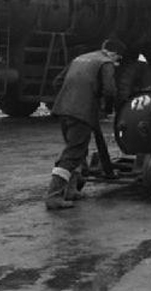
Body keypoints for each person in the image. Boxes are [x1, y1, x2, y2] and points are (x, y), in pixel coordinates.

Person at [45, 39, 124, 210]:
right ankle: (53, 196)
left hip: (63, 109)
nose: (116, 62)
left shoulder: (80, 58)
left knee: (78, 151)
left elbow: (57, 82)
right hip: (81, 112)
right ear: (114, 54)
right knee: (73, 153)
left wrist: (68, 99)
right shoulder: (106, 63)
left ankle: (71, 190)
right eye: (118, 59)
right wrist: (107, 108)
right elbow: (110, 90)